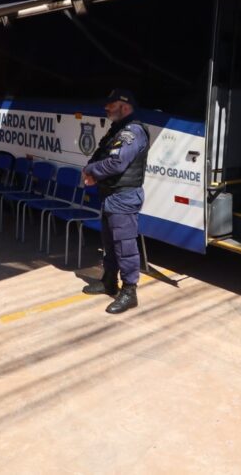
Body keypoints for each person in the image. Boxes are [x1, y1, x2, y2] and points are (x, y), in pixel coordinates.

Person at [81, 89, 151, 314]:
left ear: (126, 106)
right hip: (110, 195)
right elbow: (101, 155)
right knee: (109, 243)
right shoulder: (116, 130)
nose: (106, 108)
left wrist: (91, 171)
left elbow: (116, 164)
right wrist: (90, 169)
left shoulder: (133, 131)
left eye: (111, 105)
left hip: (124, 196)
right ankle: (109, 281)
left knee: (125, 247)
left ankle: (130, 292)